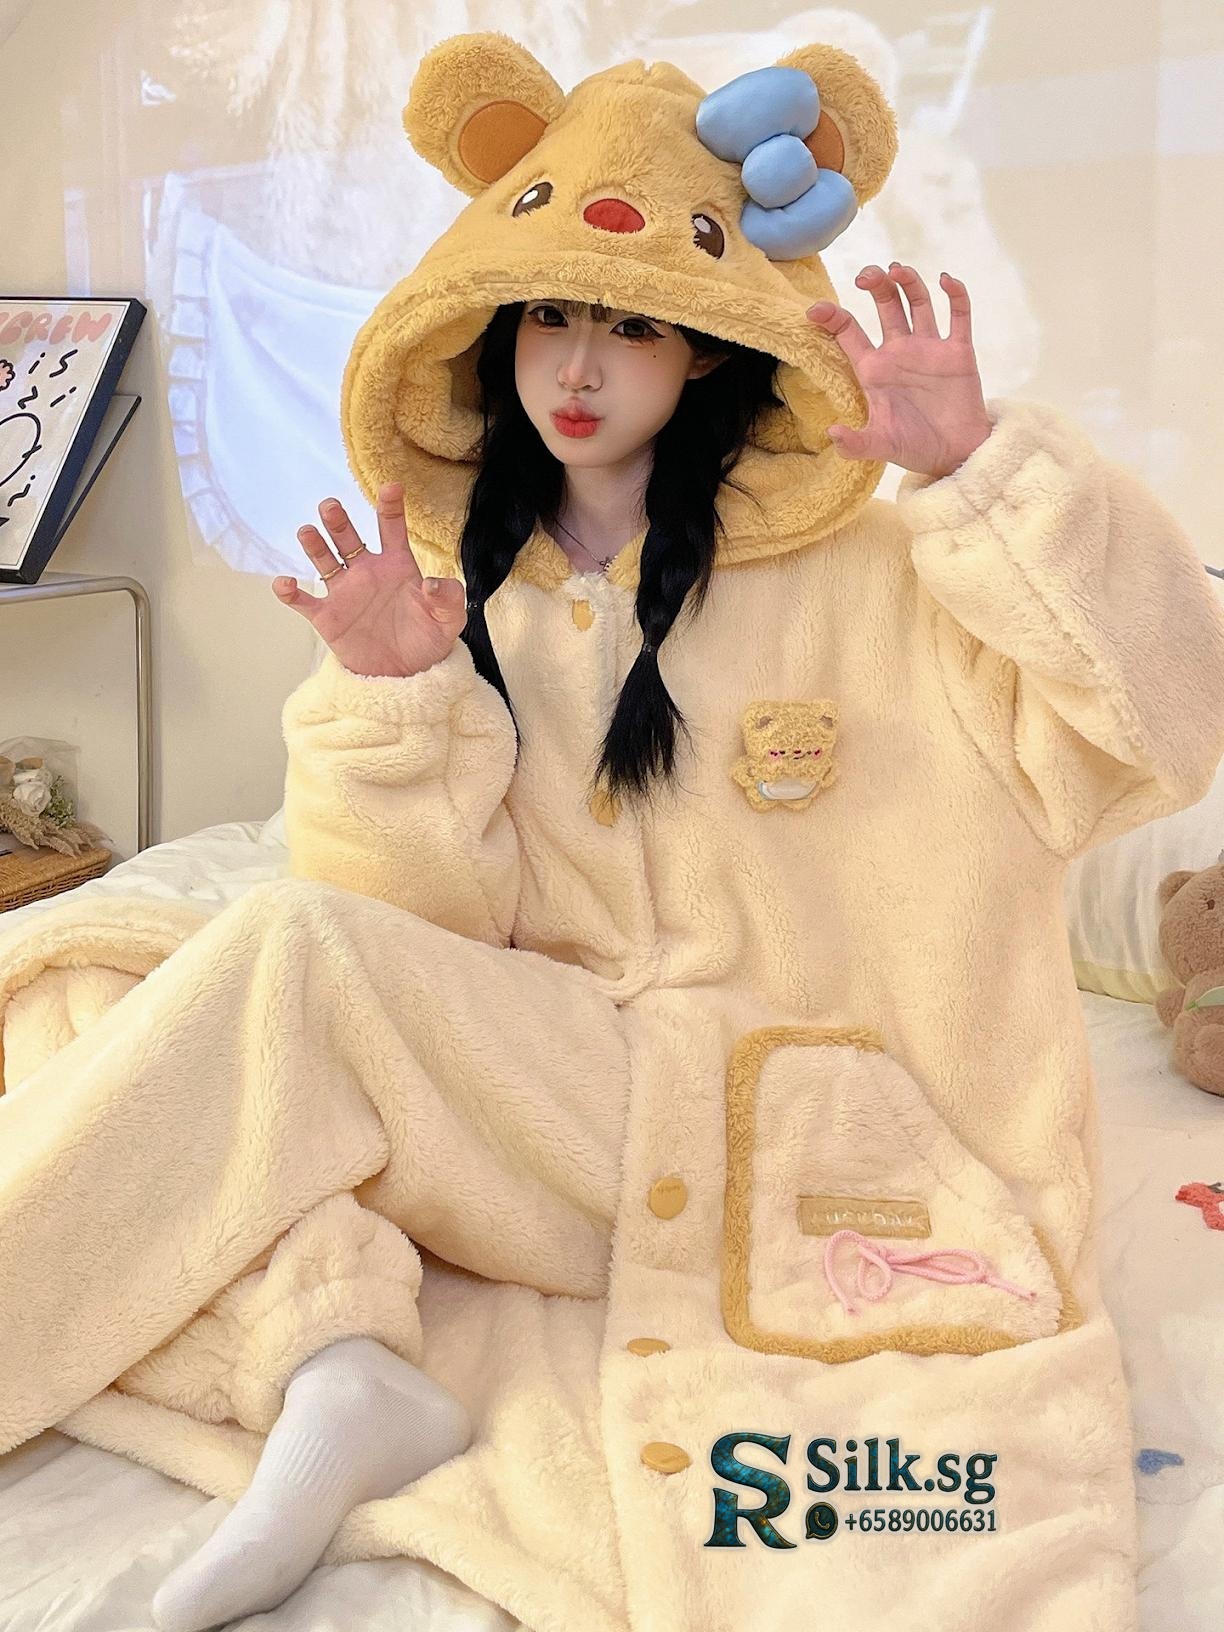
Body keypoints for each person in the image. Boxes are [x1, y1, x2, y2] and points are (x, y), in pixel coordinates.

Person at [3, 32, 1224, 1632]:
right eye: (551, 317)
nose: (579, 367)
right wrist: (396, 700)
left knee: (250, 993)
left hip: (819, 1134)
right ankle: (335, 1358)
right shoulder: (460, 590)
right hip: (562, 1110)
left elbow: (1162, 728)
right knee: (101, 991)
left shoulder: (889, 576)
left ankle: (317, 1352)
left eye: (634, 325)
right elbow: (416, 944)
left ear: (709, 352)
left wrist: (987, 477)